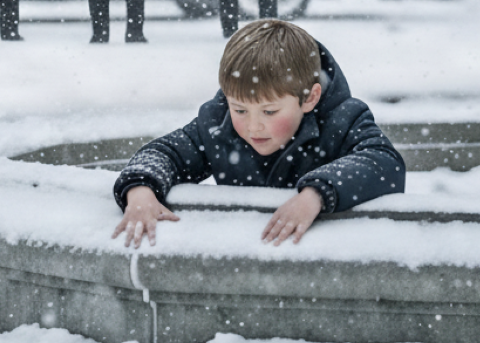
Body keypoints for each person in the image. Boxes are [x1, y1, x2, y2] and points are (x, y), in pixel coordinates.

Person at [111, 18, 405, 247]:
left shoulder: (343, 119)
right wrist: (141, 191)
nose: (253, 126)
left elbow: (384, 163)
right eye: (240, 109)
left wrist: (316, 194)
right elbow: (164, 152)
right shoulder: (217, 124)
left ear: (310, 98)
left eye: (269, 112)